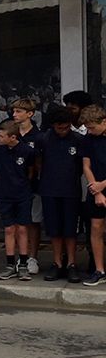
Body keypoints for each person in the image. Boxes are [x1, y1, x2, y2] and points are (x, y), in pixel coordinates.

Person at [37, 108, 84, 283]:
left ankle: (71, 264)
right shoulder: (44, 139)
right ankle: (57, 263)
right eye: (59, 128)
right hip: (49, 190)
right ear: (53, 125)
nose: (63, 131)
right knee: (54, 229)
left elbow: (81, 166)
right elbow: (39, 162)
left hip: (71, 191)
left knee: (71, 230)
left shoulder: (78, 140)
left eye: (66, 127)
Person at [0, 121, 35, 281]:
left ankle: (23, 264)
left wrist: (23, 187)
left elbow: (30, 172)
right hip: (4, 195)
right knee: (9, 229)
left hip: (22, 194)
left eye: (2, 136)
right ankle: (10, 264)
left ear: (13, 137)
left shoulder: (27, 151)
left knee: (22, 228)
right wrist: (2, 186)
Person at [10, 98, 42, 275]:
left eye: (19, 111)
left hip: (33, 186)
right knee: (16, 223)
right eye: (13, 111)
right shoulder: (10, 133)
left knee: (33, 222)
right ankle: (19, 257)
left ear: (30, 114)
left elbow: (40, 163)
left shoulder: (39, 136)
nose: (14, 115)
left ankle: (32, 257)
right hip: (13, 186)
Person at [81, 105, 106, 286]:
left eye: (92, 127)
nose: (90, 131)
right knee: (96, 228)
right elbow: (86, 166)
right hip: (95, 189)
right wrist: (96, 191)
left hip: (102, 184)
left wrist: (102, 185)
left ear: (103, 122)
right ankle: (99, 269)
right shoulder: (88, 140)